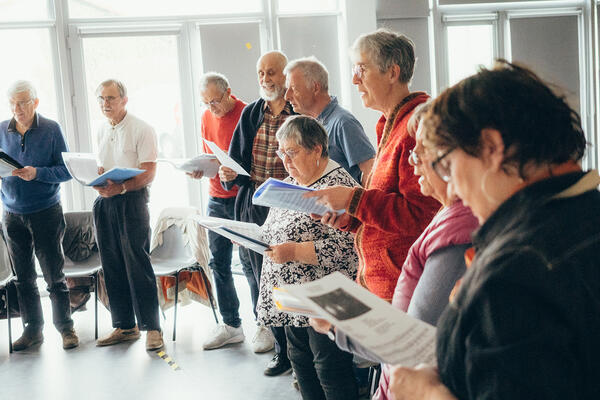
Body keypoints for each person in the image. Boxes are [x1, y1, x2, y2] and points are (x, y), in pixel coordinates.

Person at [389, 61, 600, 400]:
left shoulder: (515, 273)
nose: (453, 186)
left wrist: (426, 394)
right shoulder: (586, 213)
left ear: (490, 147)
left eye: (447, 164)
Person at [310, 103, 479, 400]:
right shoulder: (449, 212)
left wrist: (337, 326)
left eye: (421, 153)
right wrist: (354, 222)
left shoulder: (460, 233)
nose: (414, 163)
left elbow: (414, 342)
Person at [305, 29, 440, 301]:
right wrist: (351, 218)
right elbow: (388, 212)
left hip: (404, 289)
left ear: (392, 73)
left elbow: (422, 216)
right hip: (385, 285)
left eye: (361, 69)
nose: (354, 79)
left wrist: (354, 199)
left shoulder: (416, 127)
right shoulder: (389, 125)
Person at [258, 115, 359, 400]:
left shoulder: (338, 185)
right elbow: (273, 228)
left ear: (317, 149)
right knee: (300, 362)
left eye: (292, 152)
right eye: (282, 152)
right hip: (294, 295)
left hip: (326, 294)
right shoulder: (290, 182)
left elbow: (348, 246)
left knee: (330, 368)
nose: (286, 160)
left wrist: (293, 252)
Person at [219, 51, 295, 375]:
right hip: (253, 205)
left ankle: (299, 351)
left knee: (288, 279)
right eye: (261, 73)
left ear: (286, 75)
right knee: (261, 280)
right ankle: (282, 351)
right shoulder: (252, 113)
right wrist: (228, 173)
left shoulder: (298, 113)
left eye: (272, 72)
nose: (265, 79)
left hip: (289, 206)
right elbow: (238, 164)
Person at [0, 80, 79, 350]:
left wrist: (38, 173)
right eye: (12, 103)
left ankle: (66, 329)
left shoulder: (51, 129)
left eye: (23, 102)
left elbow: (66, 170)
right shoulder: (1, 129)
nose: (17, 108)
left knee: (54, 276)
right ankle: (33, 330)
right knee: (23, 279)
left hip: (45, 211)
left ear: (35, 102)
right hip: (11, 213)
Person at [92, 79, 163, 351]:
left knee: (137, 264)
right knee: (111, 264)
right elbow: (102, 166)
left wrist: (121, 187)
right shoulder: (100, 129)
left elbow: (149, 172)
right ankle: (125, 326)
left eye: (110, 98)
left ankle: (152, 329)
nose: (105, 104)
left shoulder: (142, 128)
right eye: (101, 98)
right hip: (105, 202)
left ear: (124, 100)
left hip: (132, 201)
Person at [188, 72, 248, 350]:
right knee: (219, 263)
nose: (212, 107)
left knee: (250, 263)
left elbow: (254, 162)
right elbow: (210, 154)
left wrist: (234, 172)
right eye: (206, 102)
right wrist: (201, 170)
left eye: (215, 101)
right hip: (216, 196)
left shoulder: (246, 114)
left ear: (229, 93)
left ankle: (266, 326)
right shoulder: (206, 116)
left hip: (242, 197)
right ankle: (232, 325)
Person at [284, 56, 375, 184]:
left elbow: (369, 170)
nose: (286, 96)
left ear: (315, 88)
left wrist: (360, 203)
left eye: (293, 88)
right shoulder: (310, 125)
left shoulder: (343, 122)